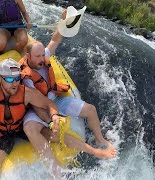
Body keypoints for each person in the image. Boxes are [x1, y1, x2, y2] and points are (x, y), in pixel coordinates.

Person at [19, 10, 117, 169]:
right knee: (32, 128)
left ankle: (100, 140)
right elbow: (37, 103)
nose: (42, 59)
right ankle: (55, 168)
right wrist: (51, 120)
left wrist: (63, 20)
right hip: (39, 106)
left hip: (55, 99)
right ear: (28, 57)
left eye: (42, 55)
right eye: (37, 56)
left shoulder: (43, 57)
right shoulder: (24, 76)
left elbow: (56, 38)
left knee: (90, 110)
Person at [0, 31, 64, 179]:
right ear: (0, 78)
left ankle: (88, 152)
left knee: (55, 135)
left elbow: (48, 103)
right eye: (9, 80)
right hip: (0, 132)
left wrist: (55, 116)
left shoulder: (26, 92)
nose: (14, 83)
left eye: (16, 78)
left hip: (19, 126)